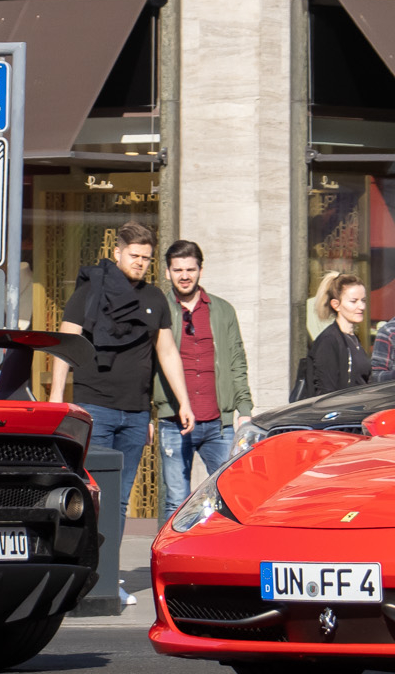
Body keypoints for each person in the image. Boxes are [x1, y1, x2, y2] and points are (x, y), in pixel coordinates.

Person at [49, 222, 194, 539]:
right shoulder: (88, 291)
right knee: (92, 493)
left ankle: (111, 576)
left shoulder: (155, 298)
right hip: (94, 408)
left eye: (146, 257)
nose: (140, 262)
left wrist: (184, 402)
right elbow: (64, 345)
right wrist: (57, 397)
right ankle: (90, 570)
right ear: (117, 252)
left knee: (120, 498)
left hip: (136, 414)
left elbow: (167, 352)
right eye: (134, 255)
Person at [154, 241, 252, 512]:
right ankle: (171, 554)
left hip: (218, 426)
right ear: (167, 272)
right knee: (176, 501)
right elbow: (148, 364)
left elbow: (236, 360)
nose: (184, 276)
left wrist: (244, 408)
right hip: (174, 421)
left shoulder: (222, 310)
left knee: (227, 498)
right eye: (177, 270)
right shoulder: (159, 309)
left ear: (200, 270)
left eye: (190, 269)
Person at [298, 273, 371, 399]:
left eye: (363, 300)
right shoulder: (329, 341)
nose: (361, 306)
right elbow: (326, 393)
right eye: (354, 301)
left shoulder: (353, 339)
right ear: (336, 305)